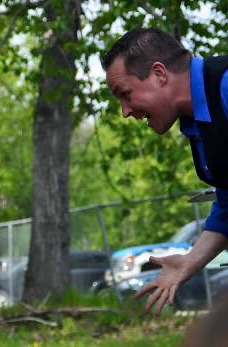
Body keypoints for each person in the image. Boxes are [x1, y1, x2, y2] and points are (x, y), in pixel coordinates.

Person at [102, 28, 228, 315]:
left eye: (125, 94)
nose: (125, 111)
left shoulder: (225, 86)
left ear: (159, 74)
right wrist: (190, 261)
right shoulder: (200, 120)